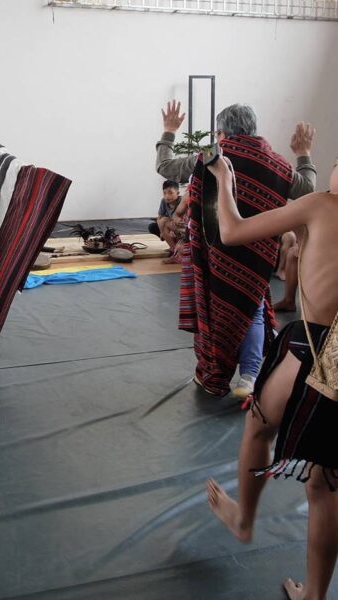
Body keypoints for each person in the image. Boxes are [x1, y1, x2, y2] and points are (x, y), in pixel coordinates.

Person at [206, 155, 338, 600]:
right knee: (326, 481)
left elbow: (231, 231)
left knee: (259, 425)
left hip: (318, 349)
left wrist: (224, 178)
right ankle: (314, 595)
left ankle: (244, 519)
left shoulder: (322, 205)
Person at [156, 100, 317, 398]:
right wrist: (303, 154)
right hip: (257, 256)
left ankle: (216, 375)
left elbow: (165, 167)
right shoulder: (278, 164)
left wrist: (169, 131)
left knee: (217, 313)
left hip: (214, 253)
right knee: (252, 309)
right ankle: (249, 376)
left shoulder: (212, 156)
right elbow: (307, 188)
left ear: (221, 133)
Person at [147, 179, 181, 252]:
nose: (167, 196)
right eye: (164, 193)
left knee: (164, 221)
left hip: (180, 226)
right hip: (170, 225)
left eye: (170, 193)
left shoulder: (181, 202)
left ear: (177, 193)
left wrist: (172, 229)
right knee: (152, 226)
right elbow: (159, 217)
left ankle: (176, 246)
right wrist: (161, 231)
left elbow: (183, 220)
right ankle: (173, 247)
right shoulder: (164, 201)